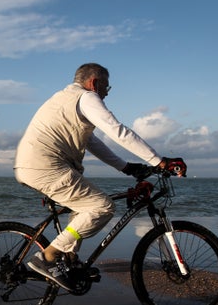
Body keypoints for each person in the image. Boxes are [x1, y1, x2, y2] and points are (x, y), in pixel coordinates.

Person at [13, 63, 186, 291]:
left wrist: (126, 167)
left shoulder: (66, 99)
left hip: (34, 166)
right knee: (102, 207)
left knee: (84, 208)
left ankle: (70, 261)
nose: (106, 93)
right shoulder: (86, 98)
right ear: (94, 83)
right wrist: (159, 161)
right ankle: (48, 257)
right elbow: (118, 131)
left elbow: (92, 142)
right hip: (46, 167)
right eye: (106, 87)